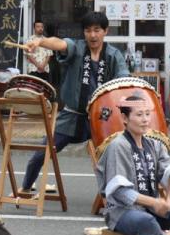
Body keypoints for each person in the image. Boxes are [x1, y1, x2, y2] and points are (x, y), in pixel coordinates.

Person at [20, 12, 129, 194]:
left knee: (111, 156)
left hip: (102, 118)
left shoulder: (113, 55)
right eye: (88, 31)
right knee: (42, 151)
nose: (92, 35)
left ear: (105, 31)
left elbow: (124, 79)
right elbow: (60, 43)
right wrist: (40, 42)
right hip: (71, 115)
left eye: (97, 30)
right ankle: (25, 187)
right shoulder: (76, 48)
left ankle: (110, 195)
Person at [96, 92, 170, 235]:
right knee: (146, 222)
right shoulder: (118, 146)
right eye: (139, 114)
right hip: (123, 213)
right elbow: (120, 192)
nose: (145, 119)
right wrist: (154, 202)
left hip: (152, 211)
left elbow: (168, 181)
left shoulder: (155, 145)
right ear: (125, 119)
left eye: (148, 114)